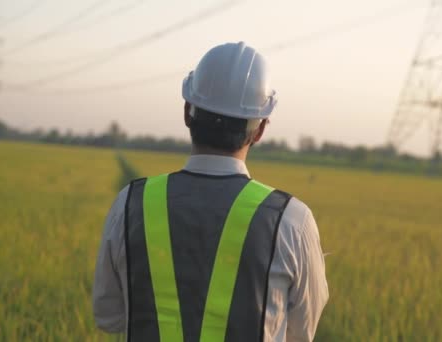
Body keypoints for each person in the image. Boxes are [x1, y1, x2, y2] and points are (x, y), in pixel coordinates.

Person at [93, 42, 329, 341]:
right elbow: (302, 332)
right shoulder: (292, 219)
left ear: (187, 113)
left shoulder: (131, 203)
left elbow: (108, 316)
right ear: (260, 130)